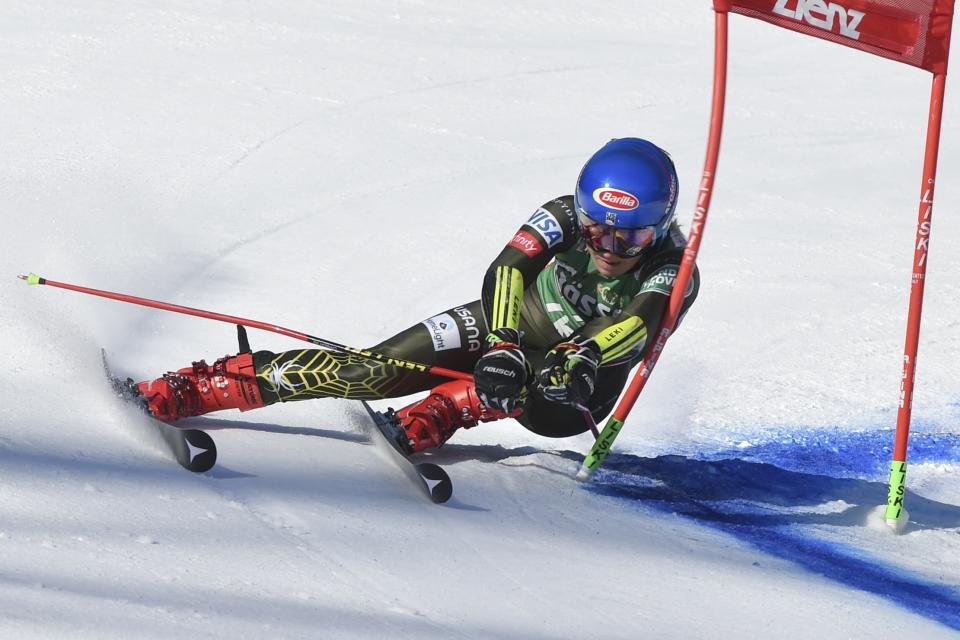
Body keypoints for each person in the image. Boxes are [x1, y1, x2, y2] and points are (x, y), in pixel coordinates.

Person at [131, 137, 699, 453]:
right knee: (374, 370)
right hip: (513, 323)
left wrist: (581, 356)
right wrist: (501, 340)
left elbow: (643, 318)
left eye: (632, 235)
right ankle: (219, 384)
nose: (610, 244)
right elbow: (508, 269)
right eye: (597, 228)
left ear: (663, 225)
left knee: (544, 380)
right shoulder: (564, 214)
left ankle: (457, 403)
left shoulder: (677, 266)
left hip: (579, 384)